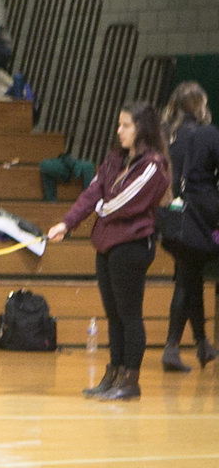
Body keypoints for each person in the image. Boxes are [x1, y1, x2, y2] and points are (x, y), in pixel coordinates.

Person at [46, 103, 170, 402]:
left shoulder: (153, 165)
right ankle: (113, 373)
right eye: (119, 125)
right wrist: (66, 222)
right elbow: (93, 192)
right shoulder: (114, 159)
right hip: (106, 245)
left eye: (125, 125)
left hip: (131, 247)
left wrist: (100, 209)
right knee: (113, 316)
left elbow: (121, 203)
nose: (119, 131)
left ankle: (131, 379)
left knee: (129, 315)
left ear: (141, 129)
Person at [160, 83, 219, 371]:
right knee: (187, 278)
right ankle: (171, 348)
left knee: (190, 276)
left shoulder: (169, 135)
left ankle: (202, 344)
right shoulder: (209, 134)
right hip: (201, 216)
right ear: (199, 106)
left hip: (174, 215)